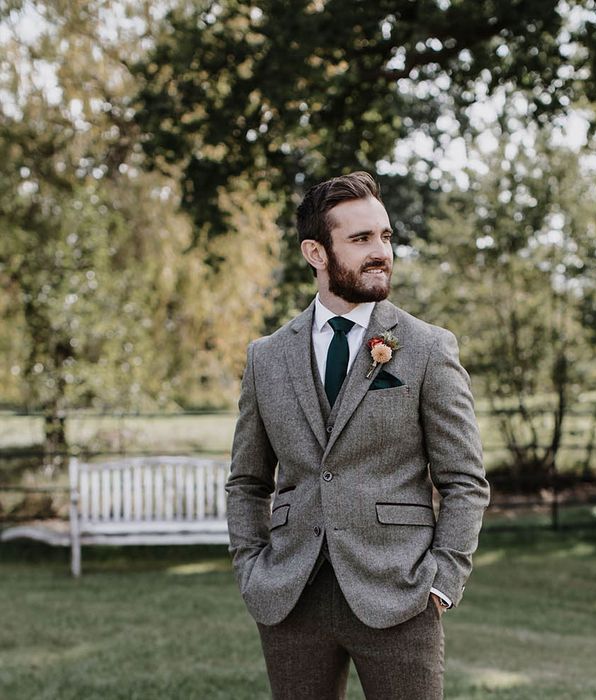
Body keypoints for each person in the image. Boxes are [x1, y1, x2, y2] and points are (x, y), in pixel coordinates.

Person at [226, 171, 489, 699]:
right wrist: (252, 568)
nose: (382, 252)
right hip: (290, 594)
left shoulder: (428, 348)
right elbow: (247, 482)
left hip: (400, 593)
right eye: (361, 239)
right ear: (316, 253)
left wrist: (442, 581)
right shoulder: (268, 357)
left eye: (386, 237)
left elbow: (465, 481)